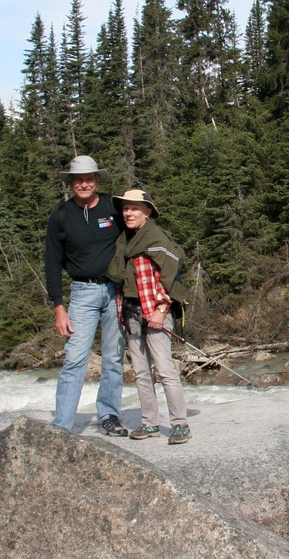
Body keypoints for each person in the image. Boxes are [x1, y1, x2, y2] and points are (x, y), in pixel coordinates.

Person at [44, 155, 128, 437]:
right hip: (82, 293)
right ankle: (63, 425)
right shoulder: (61, 216)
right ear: (70, 183)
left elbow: (136, 238)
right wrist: (58, 307)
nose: (83, 184)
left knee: (114, 358)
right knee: (75, 359)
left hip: (115, 291)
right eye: (78, 179)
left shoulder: (113, 208)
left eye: (88, 179)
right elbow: (52, 263)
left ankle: (109, 416)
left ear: (97, 180)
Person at [109, 189, 191, 445]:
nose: (128, 213)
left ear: (147, 212)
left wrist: (161, 309)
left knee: (165, 370)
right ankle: (150, 422)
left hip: (156, 311)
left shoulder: (155, 237)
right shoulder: (125, 240)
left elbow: (169, 277)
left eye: (134, 208)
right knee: (142, 371)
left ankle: (180, 424)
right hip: (132, 312)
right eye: (125, 209)